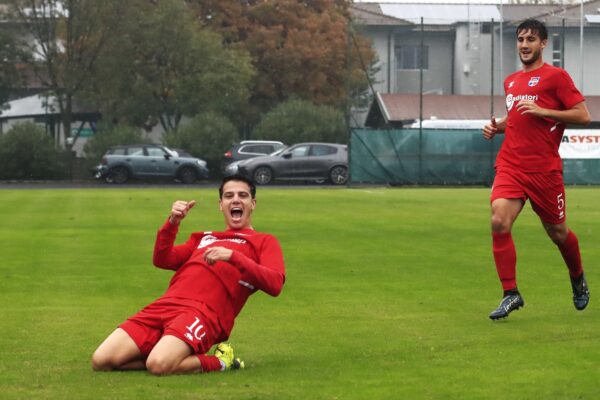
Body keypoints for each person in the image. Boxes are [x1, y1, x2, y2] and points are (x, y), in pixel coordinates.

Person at [92, 175, 285, 374]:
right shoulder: (204, 238)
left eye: (242, 195)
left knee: (158, 365)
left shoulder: (264, 241)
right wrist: (172, 222)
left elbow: (275, 283)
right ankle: (165, 352)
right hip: (165, 304)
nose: (235, 200)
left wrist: (233, 256)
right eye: (229, 196)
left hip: (203, 313)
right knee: (102, 360)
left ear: (252, 204)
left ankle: (221, 361)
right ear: (221, 205)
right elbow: (162, 259)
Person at [482, 19, 591, 320]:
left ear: (543, 43)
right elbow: (518, 118)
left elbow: (583, 115)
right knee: (498, 220)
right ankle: (510, 293)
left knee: (557, 232)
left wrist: (545, 110)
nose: (524, 44)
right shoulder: (512, 81)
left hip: (544, 171)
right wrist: (497, 127)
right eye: (520, 39)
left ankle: (578, 276)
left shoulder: (556, 77)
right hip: (511, 165)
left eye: (531, 39)